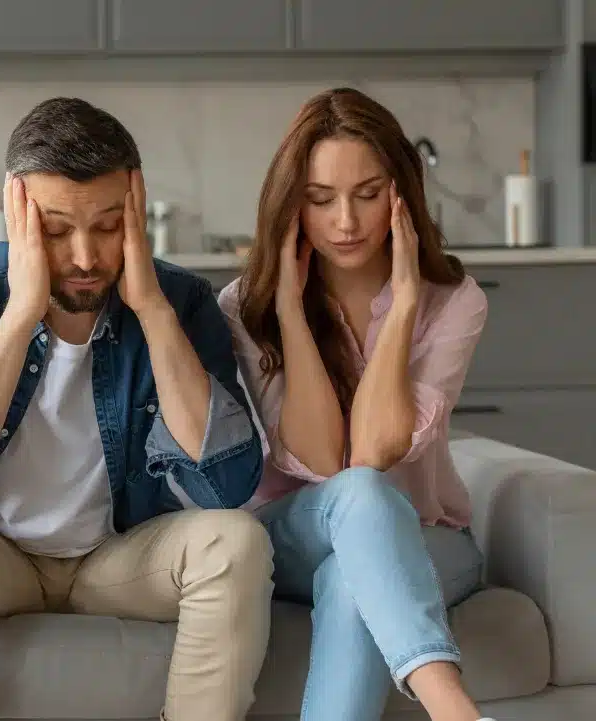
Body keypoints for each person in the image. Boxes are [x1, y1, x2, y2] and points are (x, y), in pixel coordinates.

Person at [0, 97, 273, 721]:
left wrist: (152, 311)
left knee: (237, 540)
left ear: (135, 208)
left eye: (108, 226)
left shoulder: (181, 303)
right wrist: (19, 315)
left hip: (116, 558)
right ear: (16, 212)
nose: (85, 258)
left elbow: (225, 485)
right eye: (56, 231)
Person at [218, 87, 495, 721]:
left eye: (367, 195)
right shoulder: (244, 307)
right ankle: (456, 710)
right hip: (291, 534)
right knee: (360, 497)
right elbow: (328, 463)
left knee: (354, 577)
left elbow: (374, 450)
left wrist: (403, 308)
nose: (345, 222)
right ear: (292, 204)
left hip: (424, 534)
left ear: (402, 195)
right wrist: (289, 312)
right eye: (320, 199)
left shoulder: (454, 303)